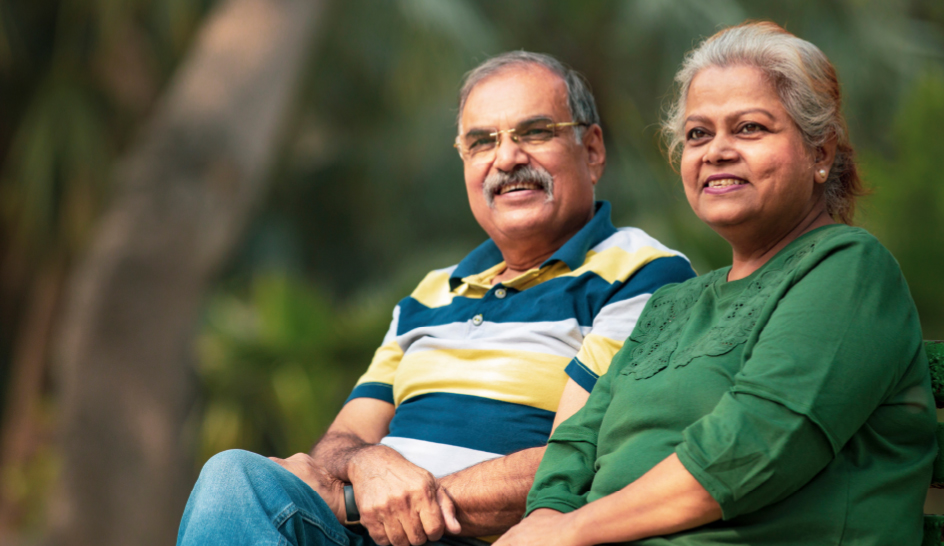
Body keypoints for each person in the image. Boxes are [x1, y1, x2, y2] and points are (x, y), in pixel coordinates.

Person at [176, 51, 696, 546]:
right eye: (481, 141)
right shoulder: (431, 291)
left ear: (594, 149)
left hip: (485, 537)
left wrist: (363, 500)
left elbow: (579, 461)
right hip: (357, 531)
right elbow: (339, 443)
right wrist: (367, 465)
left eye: (534, 132)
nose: (508, 157)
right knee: (234, 477)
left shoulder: (643, 274)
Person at [496, 22, 938, 546]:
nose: (716, 151)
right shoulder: (672, 304)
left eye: (749, 128)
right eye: (698, 134)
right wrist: (546, 518)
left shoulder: (848, 269)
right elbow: (576, 443)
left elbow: (750, 450)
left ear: (820, 154)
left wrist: (569, 532)